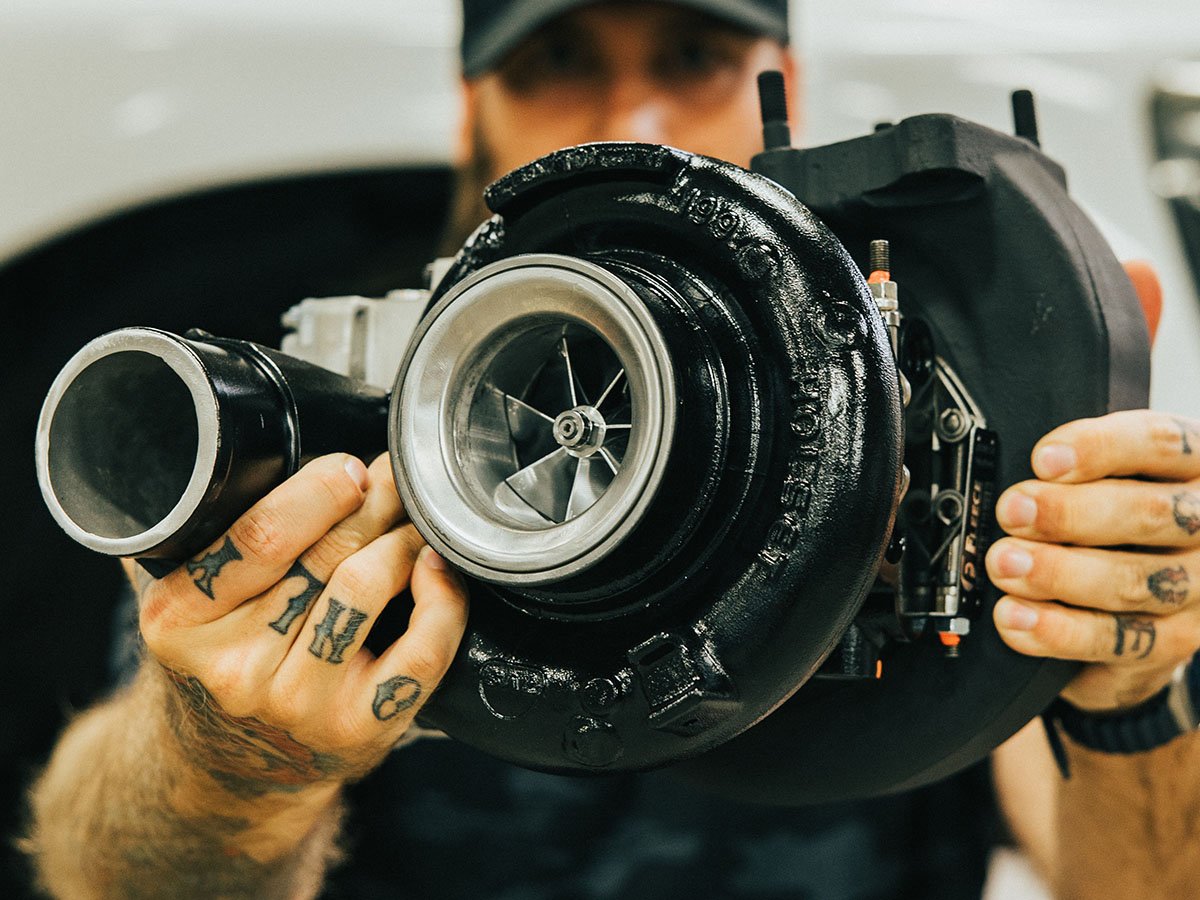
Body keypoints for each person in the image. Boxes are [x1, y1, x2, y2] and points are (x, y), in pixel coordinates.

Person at [21, 1, 1200, 898]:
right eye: (560, 63)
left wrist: (1127, 696)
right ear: (468, 110)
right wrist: (224, 763)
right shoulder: (349, 455)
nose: (632, 122)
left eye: (690, 60)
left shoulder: (940, 407)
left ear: (781, 90)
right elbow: (101, 869)